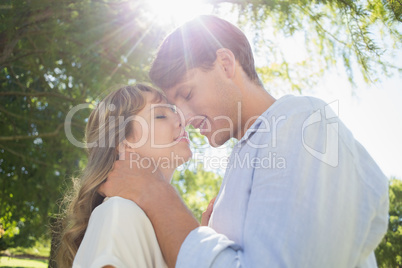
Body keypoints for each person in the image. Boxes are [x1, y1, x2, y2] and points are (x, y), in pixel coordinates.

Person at [100, 15, 389, 268]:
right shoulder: (247, 158)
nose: (183, 118)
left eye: (187, 94)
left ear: (225, 64)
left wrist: (157, 196)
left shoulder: (302, 124)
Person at [57, 84, 193, 268]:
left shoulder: (150, 220)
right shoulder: (120, 211)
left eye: (175, 112)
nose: (181, 120)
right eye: (160, 115)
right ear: (124, 144)